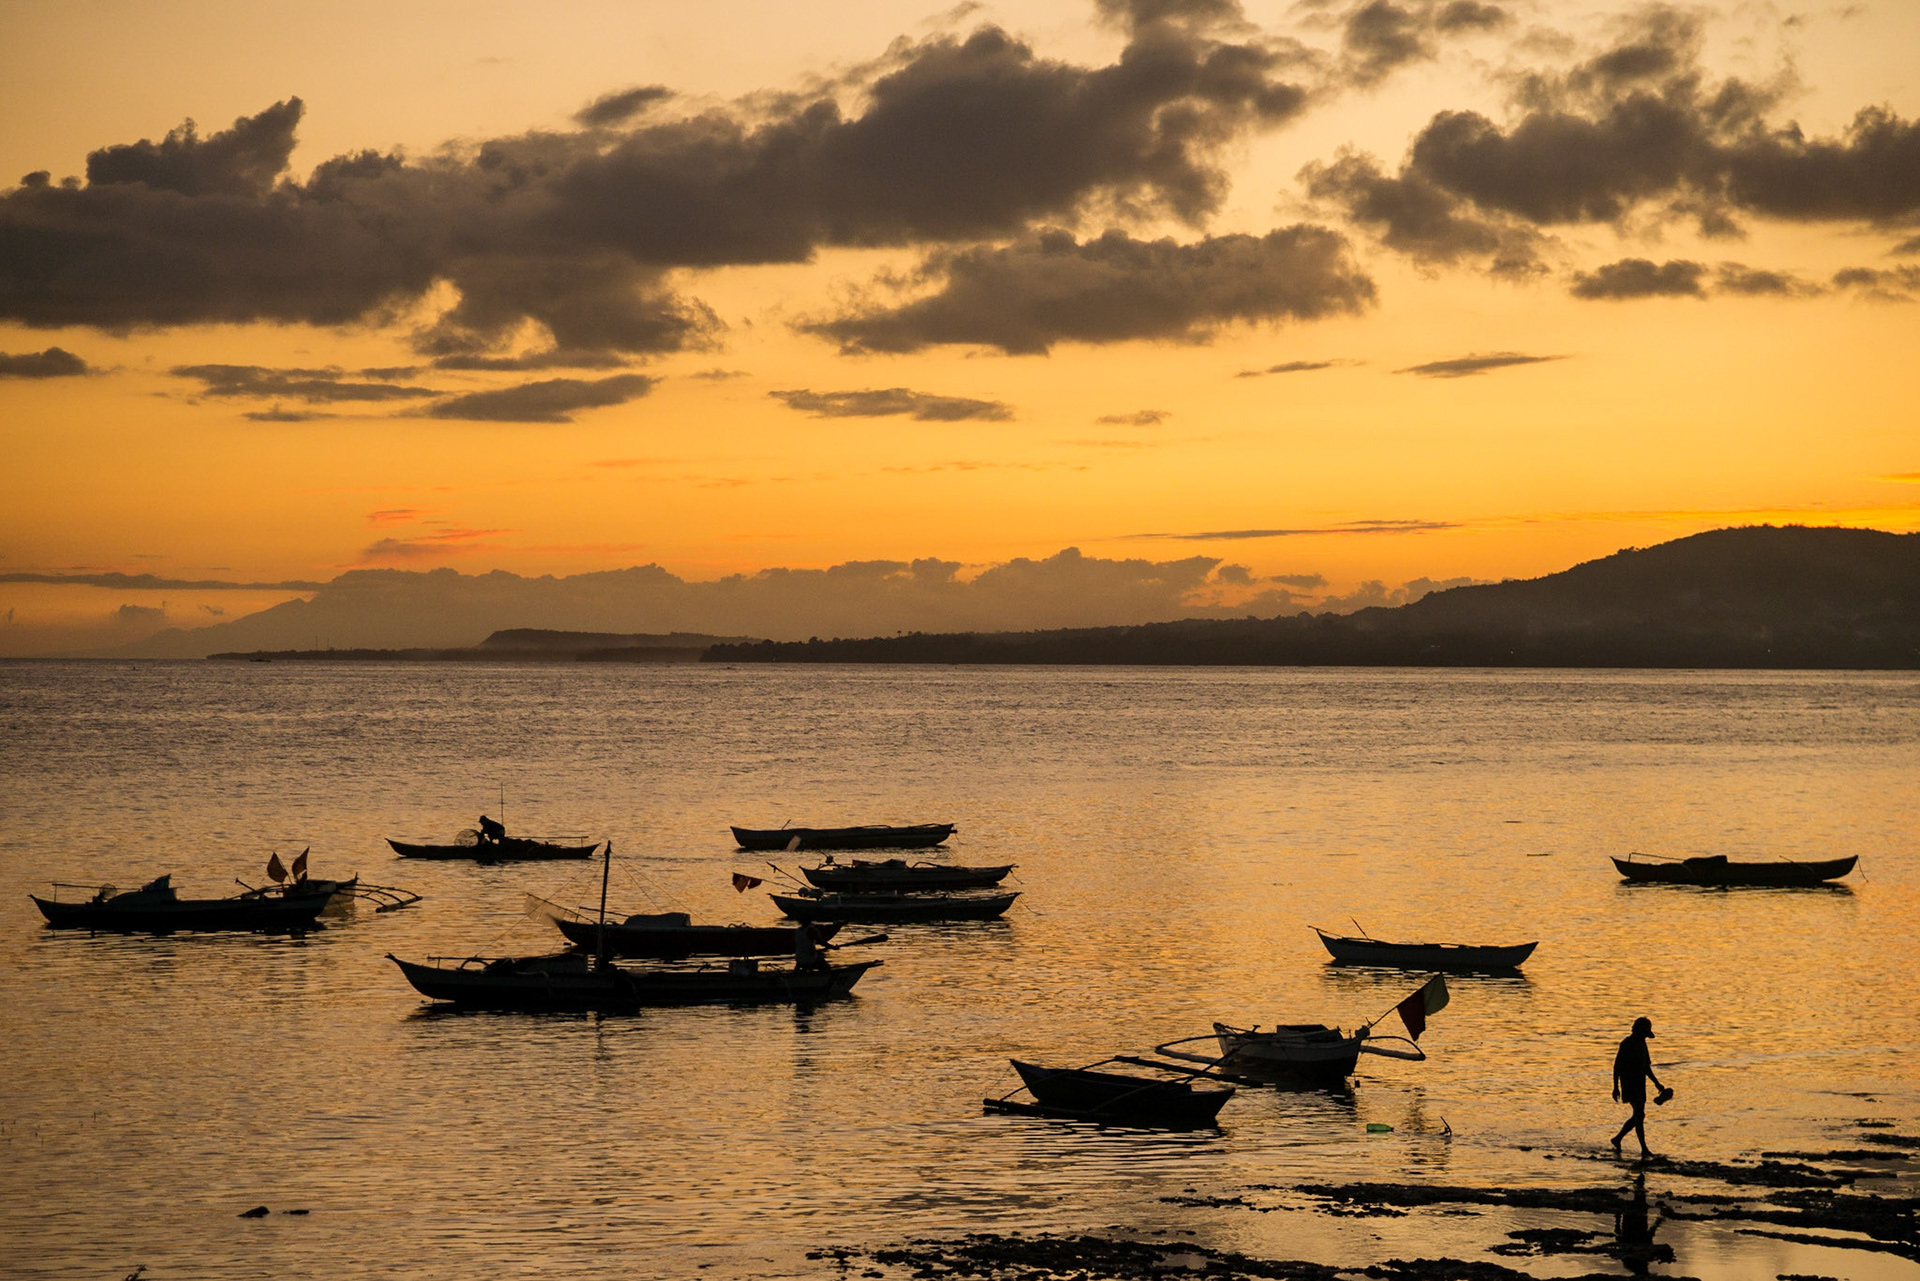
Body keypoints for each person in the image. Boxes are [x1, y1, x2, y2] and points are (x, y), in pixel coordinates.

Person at [1611, 1016, 1670, 1156]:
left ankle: (1617, 1138)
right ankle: (1644, 1149)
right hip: (1628, 1083)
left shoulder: (1643, 1044)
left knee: (1639, 1115)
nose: (1645, 1037)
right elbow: (1617, 1067)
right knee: (1639, 1114)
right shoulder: (1626, 1044)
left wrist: (1657, 1083)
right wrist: (1615, 1087)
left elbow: (1646, 1067)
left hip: (1640, 1083)